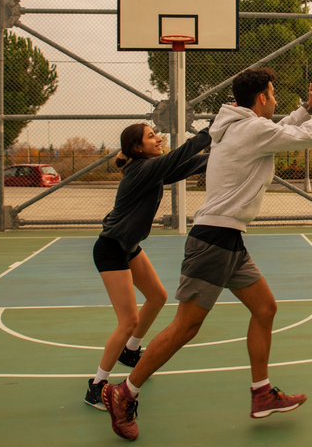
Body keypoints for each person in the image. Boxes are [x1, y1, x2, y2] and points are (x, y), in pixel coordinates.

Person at [101, 67, 312, 441]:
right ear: (261, 98)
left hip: (228, 239)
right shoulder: (251, 130)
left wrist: (307, 105)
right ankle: (124, 391)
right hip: (213, 240)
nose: (275, 99)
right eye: (273, 93)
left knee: (265, 309)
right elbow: (305, 137)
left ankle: (262, 393)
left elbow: (283, 128)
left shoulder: (243, 125)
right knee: (186, 326)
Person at [84, 123, 211, 410]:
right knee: (128, 321)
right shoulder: (141, 169)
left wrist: (228, 153)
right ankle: (96, 386)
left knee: (157, 297)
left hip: (128, 247)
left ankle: (130, 353)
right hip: (111, 249)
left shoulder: (152, 168)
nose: (158, 138)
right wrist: (210, 132)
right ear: (137, 148)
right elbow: (181, 156)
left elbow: (190, 165)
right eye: (151, 136)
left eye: (157, 134)